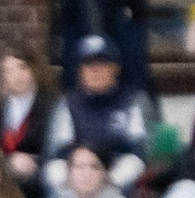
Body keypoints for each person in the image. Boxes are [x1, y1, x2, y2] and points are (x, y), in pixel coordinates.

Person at [46, 34, 154, 189]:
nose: (96, 70)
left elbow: (141, 151)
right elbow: (57, 152)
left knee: (132, 163)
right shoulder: (67, 104)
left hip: (117, 180)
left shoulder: (134, 101)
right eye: (89, 64)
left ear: (115, 68)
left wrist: (109, 180)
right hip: (77, 176)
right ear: (80, 71)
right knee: (54, 170)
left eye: (102, 63)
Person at [0, 47, 56, 190]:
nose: (17, 76)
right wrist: (9, 161)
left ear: (34, 69)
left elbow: (55, 145)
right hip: (7, 170)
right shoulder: (0, 107)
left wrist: (35, 162)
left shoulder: (50, 104)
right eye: (9, 70)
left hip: (40, 171)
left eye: (22, 67)